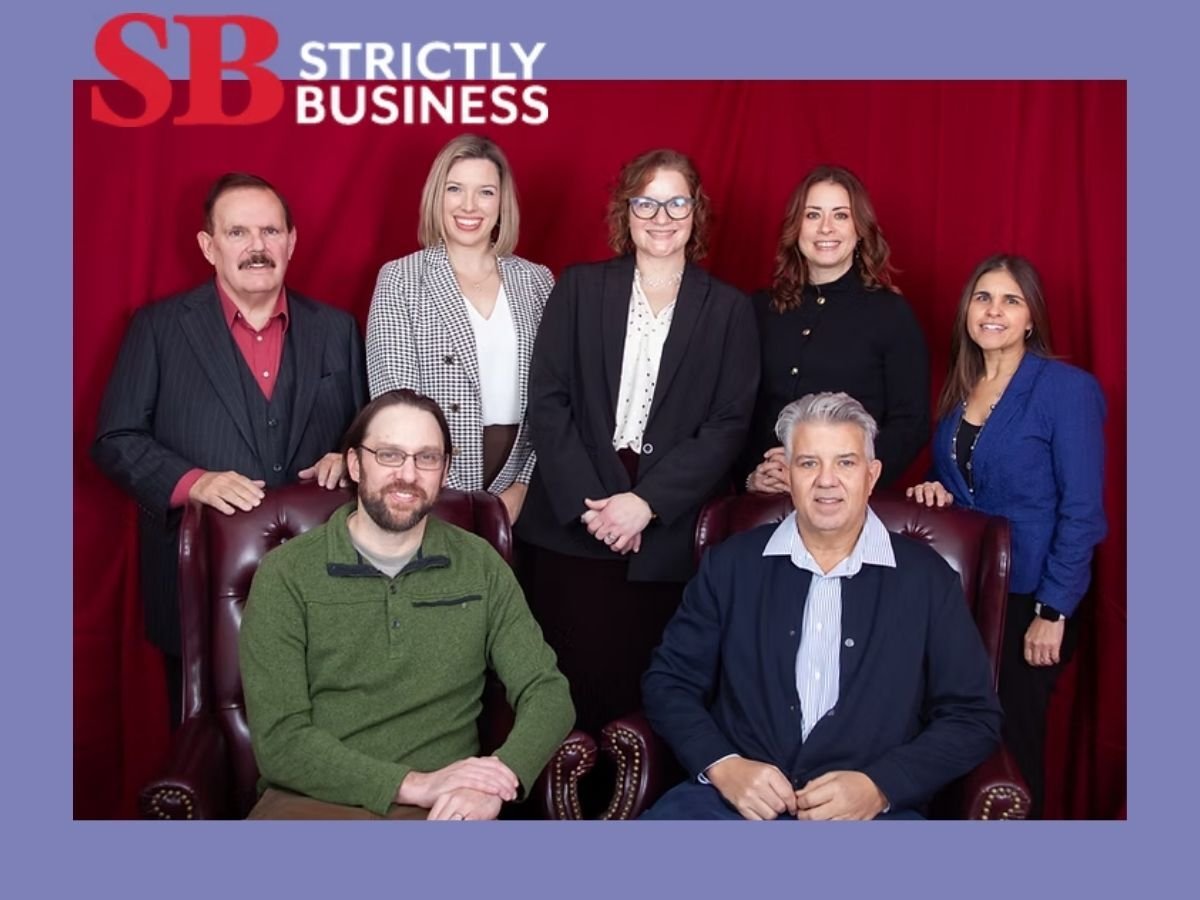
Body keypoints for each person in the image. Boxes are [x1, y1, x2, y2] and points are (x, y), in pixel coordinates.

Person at [641, 392, 1001, 820]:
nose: (826, 480)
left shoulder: (928, 580)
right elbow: (669, 682)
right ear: (788, 474)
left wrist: (881, 786)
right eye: (809, 463)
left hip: (873, 815)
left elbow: (973, 717)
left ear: (871, 475)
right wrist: (723, 765)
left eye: (845, 463)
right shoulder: (730, 565)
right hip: (729, 804)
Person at [91, 172, 367, 726]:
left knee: (324, 739)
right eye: (237, 232)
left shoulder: (337, 329)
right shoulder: (159, 328)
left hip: (323, 582)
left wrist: (350, 455)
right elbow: (114, 439)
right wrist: (196, 482)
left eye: (269, 230)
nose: (257, 247)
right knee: (208, 747)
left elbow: (365, 432)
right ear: (208, 245)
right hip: (200, 578)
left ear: (292, 240)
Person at [239, 389, 574, 820]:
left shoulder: (479, 564)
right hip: (313, 801)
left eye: (427, 458)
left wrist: (496, 780)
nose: (408, 475)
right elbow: (281, 741)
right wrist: (413, 784)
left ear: (445, 470)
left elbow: (548, 692)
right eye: (390, 455)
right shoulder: (286, 574)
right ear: (356, 464)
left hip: (444, 809)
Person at [516, 148, 759, 735]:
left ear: (695, 212)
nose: (661, 215)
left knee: (643, 699)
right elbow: (548, 398)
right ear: (626, 213)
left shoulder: (728, 309)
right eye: (645, 202)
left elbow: (728, 423)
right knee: (559, 694)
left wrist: (645, 504)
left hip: (664, 541)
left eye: (676, 201)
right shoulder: (578, 288)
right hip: (569, 530)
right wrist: (594, 505)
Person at [907, 254, 1106, 818]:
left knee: (1011, 747)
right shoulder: (959, 391)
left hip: (1031, 599)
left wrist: (1055, 608)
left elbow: (1083, 510)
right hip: (965, 598)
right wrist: (933, 490)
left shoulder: (1065, 389)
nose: (993, 311)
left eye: (1010, 300)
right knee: (953, 733)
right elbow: (962, 484)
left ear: (1031, 319)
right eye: (982, 298)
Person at [366, 134, 554, 525]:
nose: (469, 206)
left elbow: (556, 396)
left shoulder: (537, 281)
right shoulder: (401, 278)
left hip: (522, 481)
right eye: (455, 189)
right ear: (438, 197)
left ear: (501, 202)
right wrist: (431, 482)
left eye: (485, 192)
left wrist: (523, 484)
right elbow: (394, 402)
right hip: (430, 478)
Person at [743, 165, 928, 495]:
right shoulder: (758, 310)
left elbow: (911, 423)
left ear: (859, 229)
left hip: (847, 503)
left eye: (840, 215)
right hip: (762, 500)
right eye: (813, 215)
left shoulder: (891, 314)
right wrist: (750, 477)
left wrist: (845, 482)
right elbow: (733, 411)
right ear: (796, 227)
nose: (825, 228)